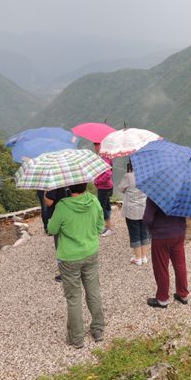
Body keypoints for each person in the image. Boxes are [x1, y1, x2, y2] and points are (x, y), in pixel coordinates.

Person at [47, 182, 105, 347]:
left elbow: (52, 229)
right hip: (91, 252)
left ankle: (77, 338)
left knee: (73, 297)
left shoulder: (62, 206)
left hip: (70, 257)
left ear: (68, 187)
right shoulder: (93, 200)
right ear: (86, 185)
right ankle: (98, 329)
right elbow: (100, 226)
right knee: (93, 291)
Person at [143, 198, 189, 308]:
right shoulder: (182, 192)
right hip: (179, 233)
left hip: (161, 235)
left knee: (161, 267)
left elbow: (147, 218)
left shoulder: (155, 195)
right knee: (180, 264)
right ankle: (183, 294)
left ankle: (162, 299)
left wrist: (152, 230)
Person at [117, 161, 150, 265]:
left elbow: (121, 188)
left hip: (132, 211)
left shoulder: (129, 176)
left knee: (134, 232)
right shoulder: (147, 175)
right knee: (144, 232)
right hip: (144, 209)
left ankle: (138, 258)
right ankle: (144, 257)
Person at [93, 142, 114, 237]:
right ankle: (107, 226)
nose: (95, 147)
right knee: (106, 206)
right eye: (95, 144)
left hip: (104, 187)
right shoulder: (104, 157)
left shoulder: (104, 158)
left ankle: (108, 228)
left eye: (97, 145)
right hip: (107, 186)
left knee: (102, 208)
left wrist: (97, 182)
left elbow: (108, 174)